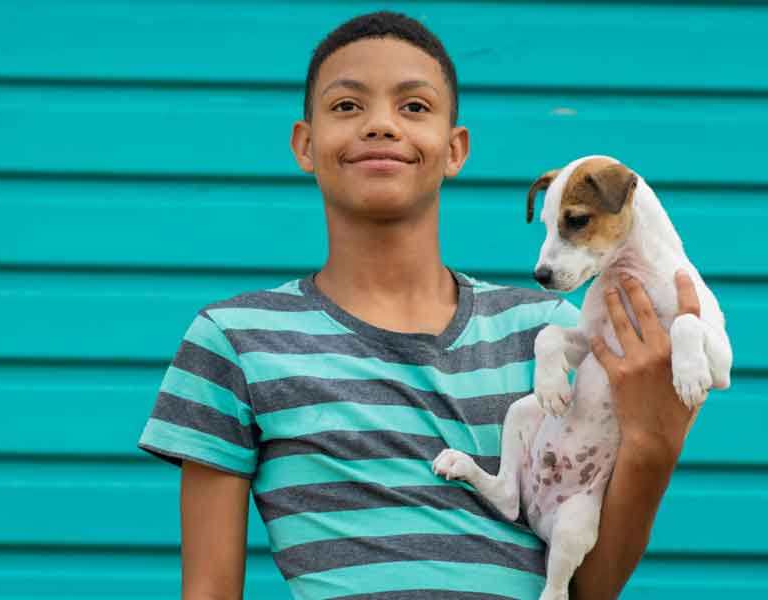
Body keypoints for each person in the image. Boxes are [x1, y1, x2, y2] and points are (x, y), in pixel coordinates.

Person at [137, 10, 701, 600]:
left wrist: (654, 442)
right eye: (347, 106)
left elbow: (589, 587)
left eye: (414, 107)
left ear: (455, 149)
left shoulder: (549, 333)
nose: (381, 125)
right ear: (305, 145)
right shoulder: (236, 341)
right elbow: (208, 589)